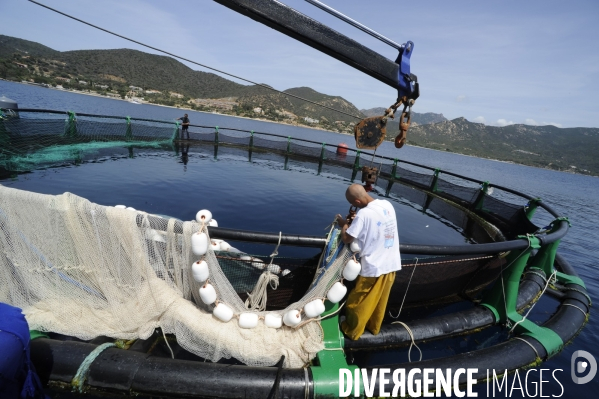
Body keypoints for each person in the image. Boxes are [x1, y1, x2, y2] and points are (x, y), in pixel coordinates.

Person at [335, 183, 402, 340]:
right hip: (391, 265)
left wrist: (344, 223)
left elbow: (346, 238)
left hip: (374, 267)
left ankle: (352, 330)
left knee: (357, 302)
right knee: (379, 300)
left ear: (357, 203)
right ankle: (374, 328)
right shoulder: (387, 204)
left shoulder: (363, 215)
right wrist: (354, 221)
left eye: (352, 204)